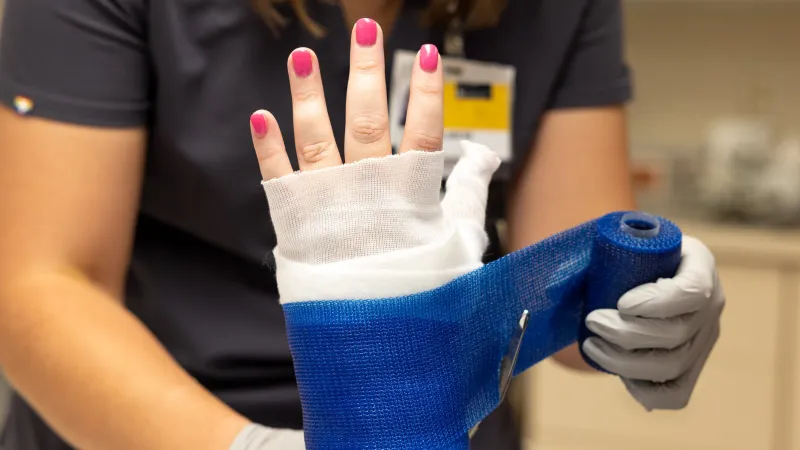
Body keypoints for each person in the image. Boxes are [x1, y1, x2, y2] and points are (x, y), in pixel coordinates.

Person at [0, 0, 724, 449]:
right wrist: (247, 448)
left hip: (438, 427)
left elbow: (565, 279)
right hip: (150, 423)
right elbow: (41, 282)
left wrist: (642, 306)